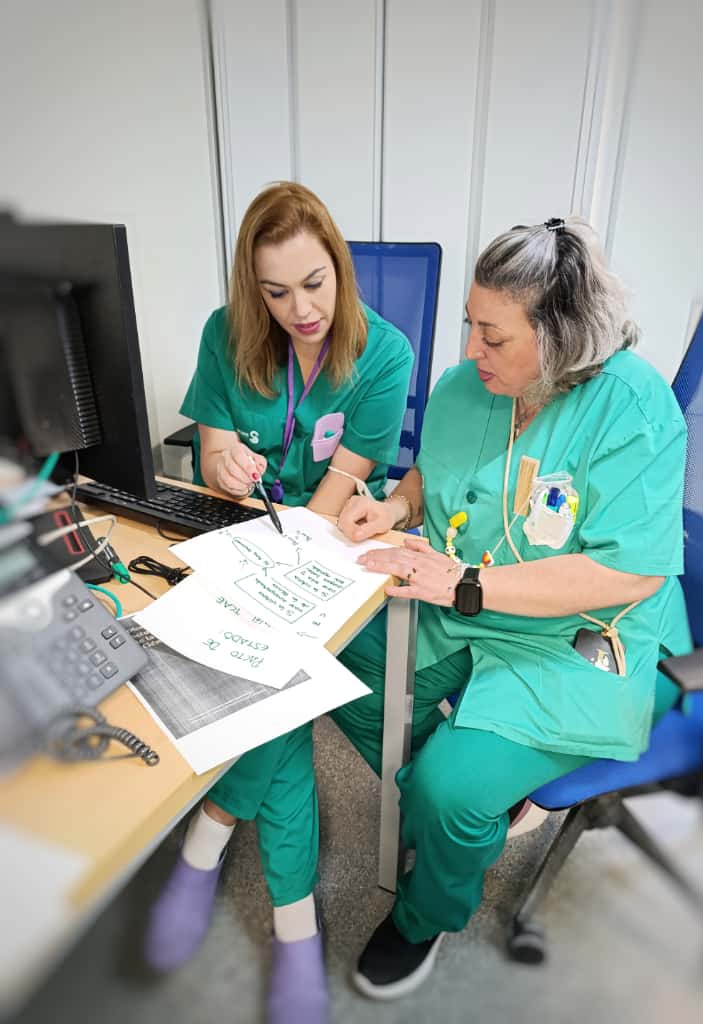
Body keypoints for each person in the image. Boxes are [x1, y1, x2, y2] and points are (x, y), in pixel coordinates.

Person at [333, 216, 692, 1000]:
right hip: (466, 596)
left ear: (560, 338)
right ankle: (468, 809)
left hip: (583, 634)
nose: (471, 350)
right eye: (470, 325)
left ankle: (426, 911)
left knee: (449, 792)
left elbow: (627, 573)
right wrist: (393, 508)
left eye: (492, 336)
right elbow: (436, 473)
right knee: (341, 675)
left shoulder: (633, 408)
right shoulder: (469, 388)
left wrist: (465, 584)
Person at [143, 182, 413, 1023]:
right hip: (240, 537)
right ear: (251, 290)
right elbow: (213, 453)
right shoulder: (225, 335)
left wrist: (287, 565)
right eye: (275, 291)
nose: (300, 310)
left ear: (340, 268)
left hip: (323, 547)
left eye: (314, 283)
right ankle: (294, 927)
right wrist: (224, 465)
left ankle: (211, 834)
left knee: (277, 690)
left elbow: (335, 497)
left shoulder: (385, 353)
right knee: (285, 696)